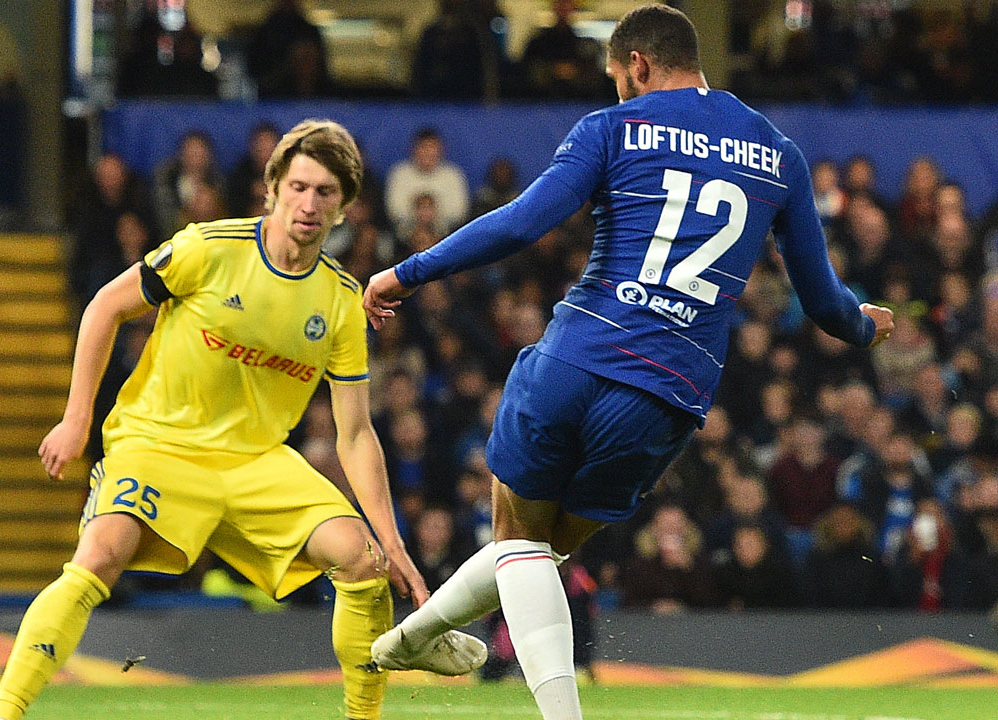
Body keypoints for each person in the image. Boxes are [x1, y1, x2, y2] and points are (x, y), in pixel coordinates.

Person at [362, 6, 895, 720]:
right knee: (539, 556)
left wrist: (409, 271)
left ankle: (534, 701)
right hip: (669, 394)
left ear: (637, 64)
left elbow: (523, 221)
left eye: (617, 78)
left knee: (518, 540)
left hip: (578, 356)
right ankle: (413, 637)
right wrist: (865, 327)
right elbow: (826, 304)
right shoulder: (779, 153)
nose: (618, 90)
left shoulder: (614, 128)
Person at [0, 120, 483, 720]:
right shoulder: (208, 247)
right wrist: (75, 421)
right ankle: (4, 715)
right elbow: (104, 307)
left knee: (361, 560)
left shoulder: (342, 303)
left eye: (326, 192)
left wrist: (392, 540)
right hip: (158, 444)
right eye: (298, 186)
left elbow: (354, 433)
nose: (308, 203)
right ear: (271, 188)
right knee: (99, 555)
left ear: (345, 208)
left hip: (255, 463)